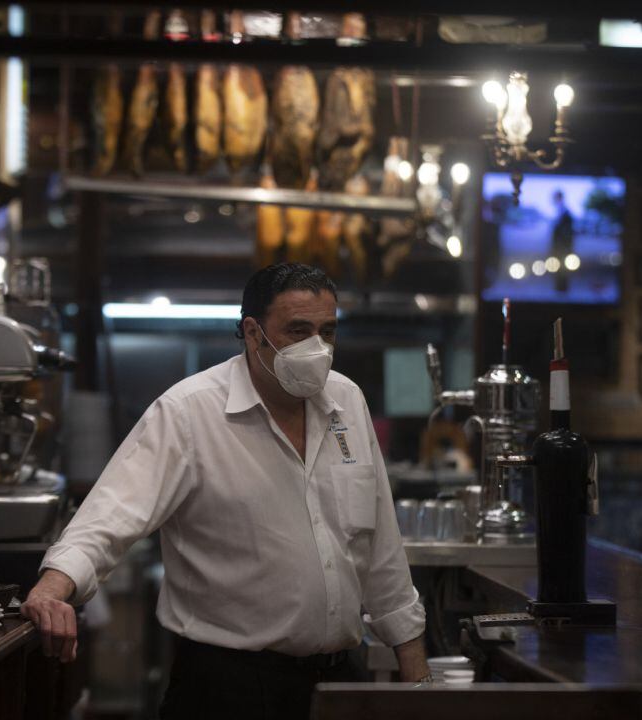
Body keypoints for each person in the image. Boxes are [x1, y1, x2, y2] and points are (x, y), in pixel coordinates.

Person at [21, 263, 429, 719]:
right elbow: (109, 516)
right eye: (298, 331)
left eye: (327, 331)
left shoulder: (347, 401)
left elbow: (382, 550)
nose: (317, 348)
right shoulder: (188, 412)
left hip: (334, 681)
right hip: (225, 687)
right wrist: (51, 590)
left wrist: (417, 672)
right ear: (253, 333)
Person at [549, 189, 575, 293]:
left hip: (563, 250)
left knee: (563, 272)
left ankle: (562, 290)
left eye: (554, 198)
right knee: (559, 272)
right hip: (559, 249)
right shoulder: (560, 212)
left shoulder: (565, 213)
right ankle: (560, 290)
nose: (553, 200)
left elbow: (567, 234)